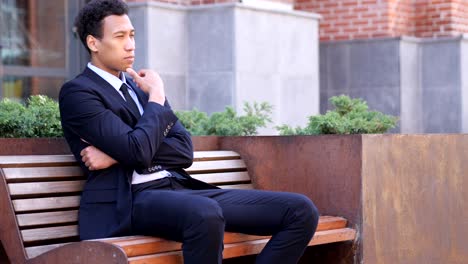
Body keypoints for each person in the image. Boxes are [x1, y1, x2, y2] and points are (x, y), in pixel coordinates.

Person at [59, 0, 319, 263]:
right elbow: (136, 151)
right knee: (204, 213)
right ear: (93, 43)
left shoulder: (141, 87)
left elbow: (184, 149)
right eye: (120, 36)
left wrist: (117, 154)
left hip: (177, 188)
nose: (130, 44)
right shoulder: (80, 93)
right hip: (128, 202)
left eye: (132, 35)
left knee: (300, 211)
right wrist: (157, 99)